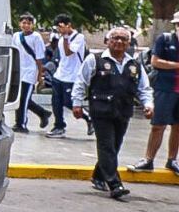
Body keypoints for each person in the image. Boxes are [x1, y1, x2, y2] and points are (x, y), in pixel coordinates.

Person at [71, 26, 154, 200]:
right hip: (101, 110)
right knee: (106, 145)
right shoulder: (95, 59)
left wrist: (148, 104)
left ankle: (99, 176)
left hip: (123, 110)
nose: (119, 42)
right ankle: (115, 184)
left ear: (128, 43)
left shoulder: (134, 64)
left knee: (115, 146)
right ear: (108, 41)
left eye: (123, 39)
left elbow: (143, 88)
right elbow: (81, 81)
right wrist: (77, 103)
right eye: (115, 38)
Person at [130, 13, 179, 176]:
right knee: (158, 126)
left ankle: (172, 159)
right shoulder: (165, 40)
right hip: (165, 88)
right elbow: (155, 61)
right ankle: (148, 159)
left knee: (177, 127)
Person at [46, 13, 88, 138]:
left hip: (73, 76)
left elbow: (69, 52)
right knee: (56, 101)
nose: (59, 30)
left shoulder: (79, 37)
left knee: (68, 101)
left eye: (61, 26)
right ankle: (59, 125)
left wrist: (65, 37)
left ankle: (87, 116)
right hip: (60, 75)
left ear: (69, 25)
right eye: (58, 28)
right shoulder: (60, 39)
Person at [11, 13, 51, 133]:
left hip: (30, 71)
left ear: (32, 25)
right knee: (20, 98)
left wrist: (40, 76)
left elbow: (39, 58)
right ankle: (42, 113)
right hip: (19, 71)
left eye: (28, 23)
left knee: (24, 98)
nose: (26, 25)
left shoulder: (36, 37)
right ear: (20, 24)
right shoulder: (16, 36)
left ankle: (21, 124)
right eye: (24, 23)